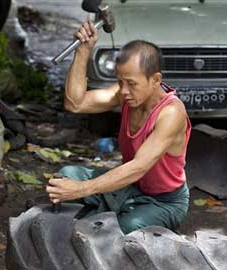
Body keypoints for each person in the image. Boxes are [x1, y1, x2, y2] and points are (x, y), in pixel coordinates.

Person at [46, 21, 191, 234]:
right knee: (66, 175)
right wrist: (83, 52)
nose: (123, 91)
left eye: (131, 83)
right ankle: (114, 209)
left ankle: (124, 215)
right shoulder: (126, 94)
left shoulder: (171, 113)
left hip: (165, 201)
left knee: (125, 229)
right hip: (132, 188)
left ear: (155, 80)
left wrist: (80, 190)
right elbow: (74, 103)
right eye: (120, 82)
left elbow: (138, 167)